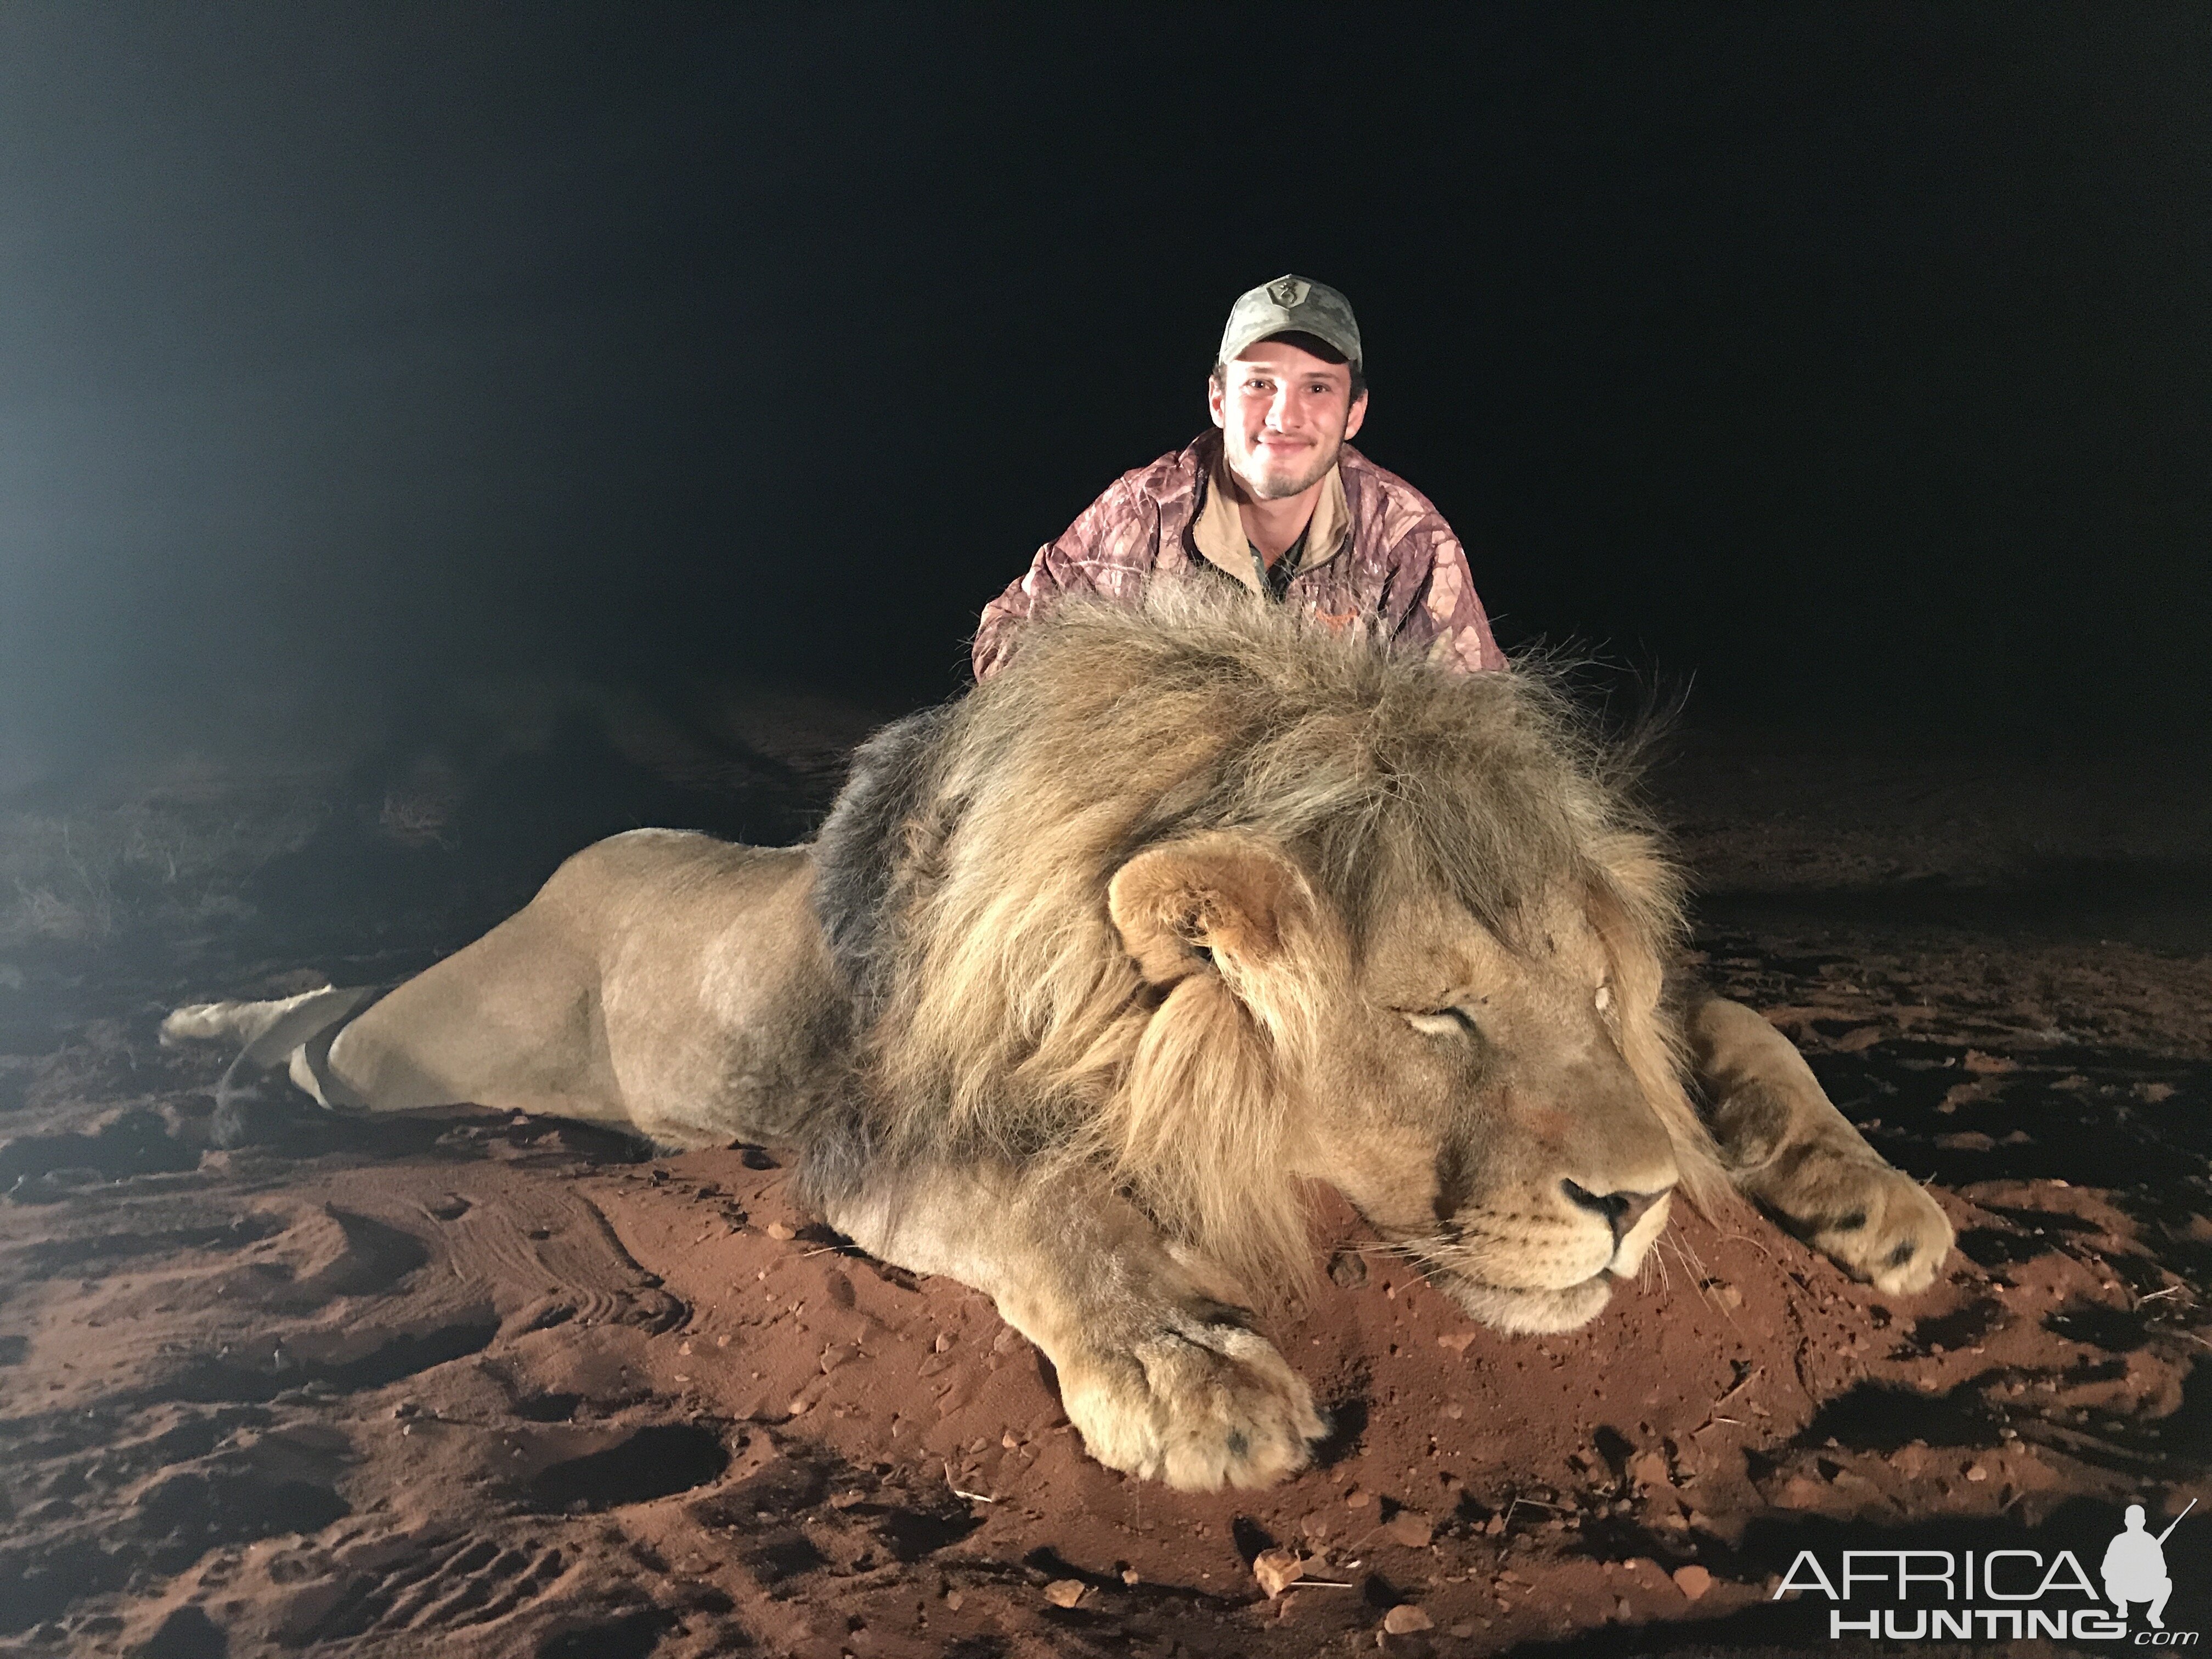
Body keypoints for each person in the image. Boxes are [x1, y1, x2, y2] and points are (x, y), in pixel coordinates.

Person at [973, 275, 1505, 680]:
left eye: (1317, 389)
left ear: (1355, 413)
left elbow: (1473, 719)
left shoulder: (1406, 540)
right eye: (1259, 385)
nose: (1283, 417)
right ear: (1218, 400)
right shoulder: (1142, 515)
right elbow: (1007, 641)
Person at [2103, 1503, 2177, 1628]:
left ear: (2143, 1521)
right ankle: (2122, 1606)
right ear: (2126, 1521)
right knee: (2109, 1583)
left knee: (2166, 1583)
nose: (2134, 1523)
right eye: (2132, 1520)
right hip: (2122, 1588)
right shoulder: (2118, 1541)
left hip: (2144, 1588)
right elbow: (2106, 1570)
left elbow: (2162, 1571)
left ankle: (2154, 1615)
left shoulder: (2150, 1541)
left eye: (2137, 1520)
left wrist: (2146, 1570)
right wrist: (2124, 1571)